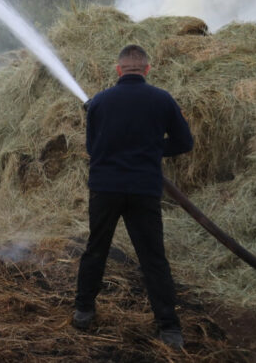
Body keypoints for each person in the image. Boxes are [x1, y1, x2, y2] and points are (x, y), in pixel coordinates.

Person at [73, 45, 194, 349]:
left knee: (95, 250)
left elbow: (92, 148)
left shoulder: (99, 102)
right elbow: (184, 142)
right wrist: (154, 149)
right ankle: (169, 328)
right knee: (153, 258)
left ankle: (83, 312)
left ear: (118, 70)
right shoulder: (162, 100)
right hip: (144, 190)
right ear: (146, 70)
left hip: (105, 190)